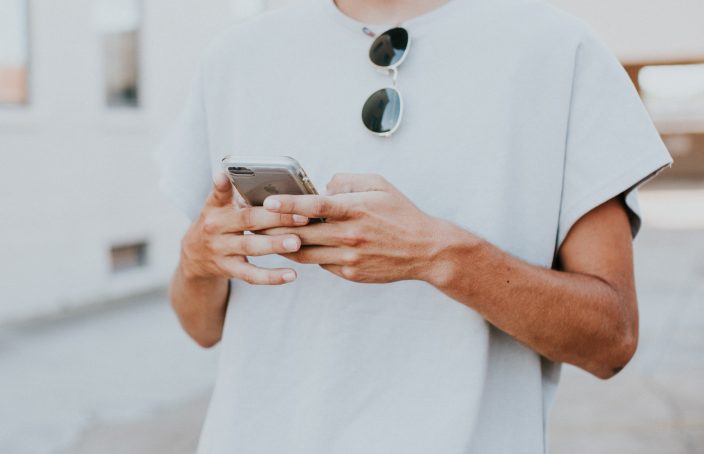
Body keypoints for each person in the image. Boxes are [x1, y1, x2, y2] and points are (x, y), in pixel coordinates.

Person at [154, 0, 672, 452]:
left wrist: (439, 256)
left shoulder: (560, 51)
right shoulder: (236, 56)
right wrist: (197, 262)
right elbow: (201, 328)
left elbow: (610, 340)